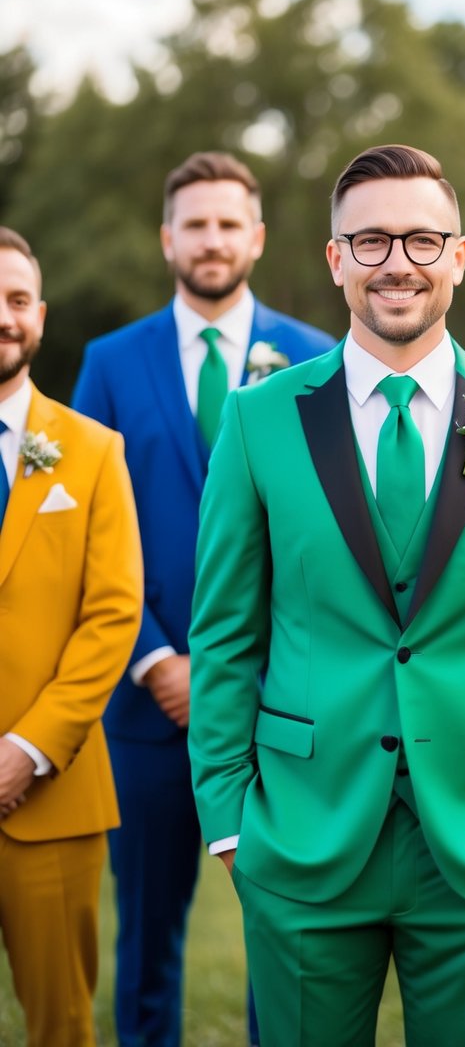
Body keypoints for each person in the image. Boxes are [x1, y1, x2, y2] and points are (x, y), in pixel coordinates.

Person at [187, 144, 465, 1046]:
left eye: (420, 239)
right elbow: (222, 633)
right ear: (335, 261)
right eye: (368, 242)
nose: (396, 263)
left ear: (457, 255)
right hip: (299, 827)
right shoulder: (259, 421)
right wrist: (228, 821)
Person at [72, 152, 335, 1047]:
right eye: (196, 223)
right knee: (146, 930)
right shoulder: (110, 362)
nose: (213, 240)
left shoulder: (314, 356)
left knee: (287, 924)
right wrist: (155, 659)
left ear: (256, 238)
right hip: (146, 702)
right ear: (167, 238)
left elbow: (329, 542)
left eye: (230, 224)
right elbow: (89, 531)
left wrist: (238, 667)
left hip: (282, 703)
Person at [0, 227, 142, 1047]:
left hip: (51, 796)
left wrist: (30, 748)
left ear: (42, 317)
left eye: (18, 300)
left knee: (62, 1027)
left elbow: (113, 614)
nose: (4, 316)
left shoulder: (91, 450)